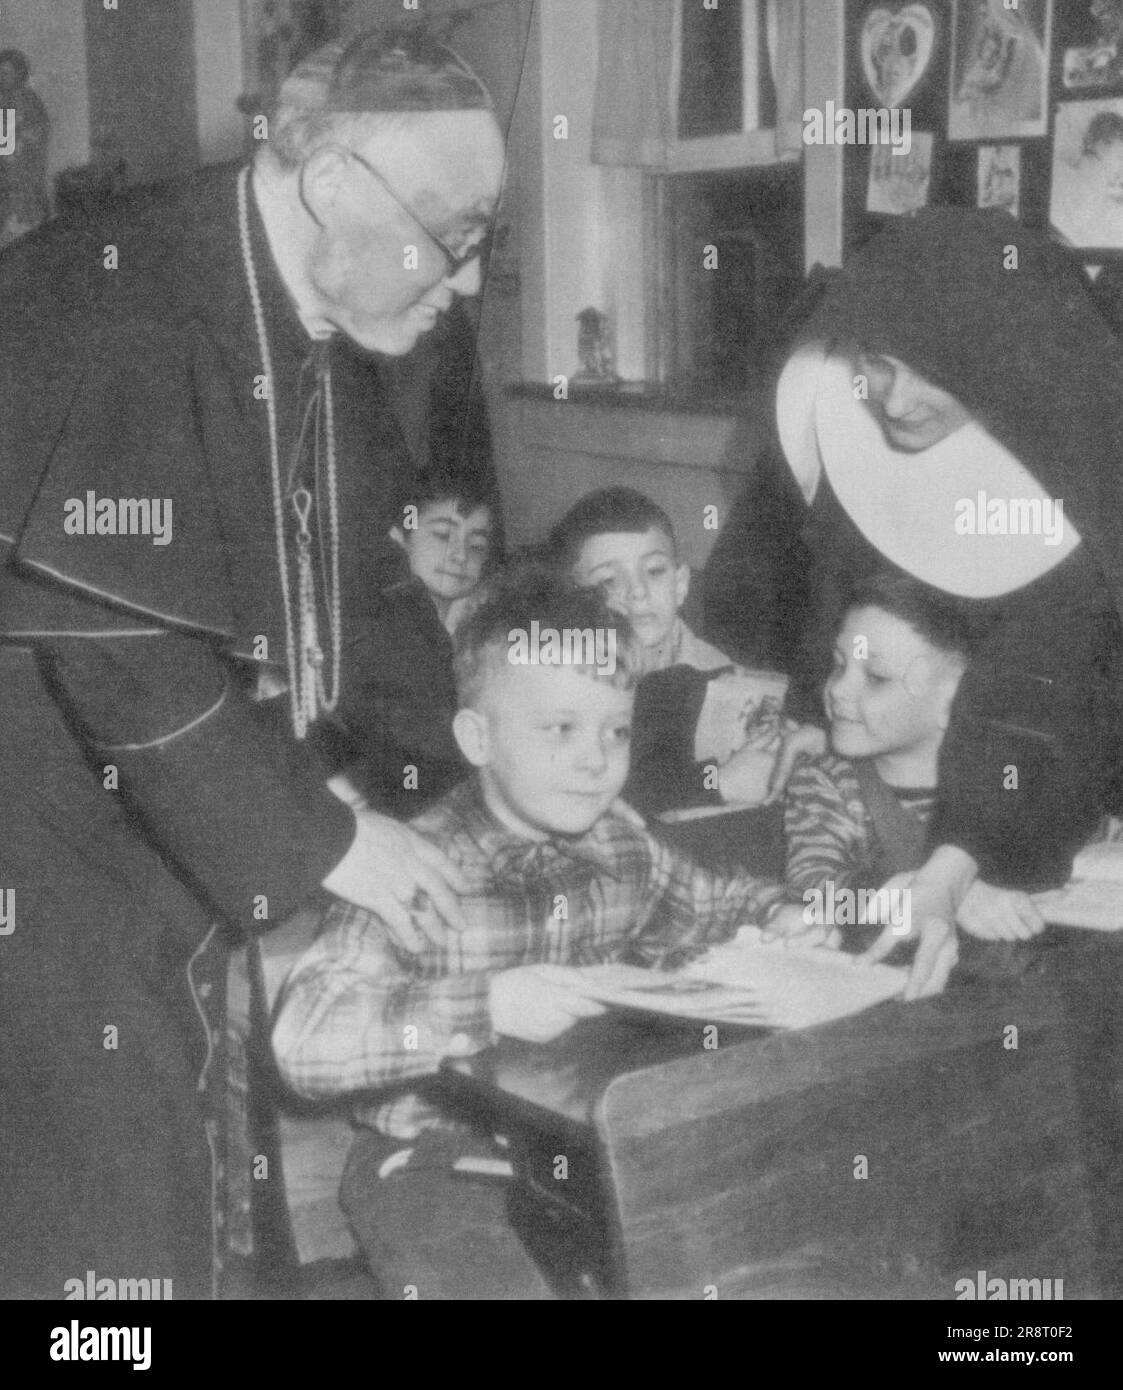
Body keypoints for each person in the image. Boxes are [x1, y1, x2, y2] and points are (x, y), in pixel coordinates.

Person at [0, 26, 505, 1298]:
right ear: (336, 182)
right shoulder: (131, 297)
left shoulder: (303, 305)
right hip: (40, 823)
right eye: (454, 233)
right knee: (99, 1212)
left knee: (190, 1186)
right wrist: (331, 842)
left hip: (136, 810)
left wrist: (456, 781)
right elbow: (126, 659)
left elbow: (357, 606)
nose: (469, 278)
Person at [272, 564, 785, 1298]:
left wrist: (787, 914)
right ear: (478, 738)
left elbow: (717, 905)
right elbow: (304, 1042)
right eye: (559, 729)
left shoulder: (621, 848)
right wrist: (486, 1006)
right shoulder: (413, 871)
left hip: (598, 1160)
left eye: (616, 730)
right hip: (430, 1162)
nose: (594, 758)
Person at [756, 208, 1123, 998]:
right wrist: (808, 715)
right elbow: (836, 594)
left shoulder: (1081, 485)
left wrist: (951, 866)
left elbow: (1034, 700)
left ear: (999, 368)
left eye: (933, 374)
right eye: (879, 364)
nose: (892, 399)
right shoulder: (857, 440)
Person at [768, 572, 1045, 967]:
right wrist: (945, 891)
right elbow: (814, 887)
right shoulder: (827, 780)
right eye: (838, 664)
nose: (838, 690)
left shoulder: (1006, 780)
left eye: (875, 677)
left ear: (956, 701)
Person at [547, 486, 789, 816]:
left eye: (655, 571)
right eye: (609, 581)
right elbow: (602, 786)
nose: (638, 592)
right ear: (574, 600)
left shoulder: (721, 676)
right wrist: (716, 780)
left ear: (680, 584)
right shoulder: (564, 680)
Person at [338, 468, 498, 815]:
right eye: (443, 535)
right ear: (397, 539)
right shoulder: (379, 626)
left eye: (477, 545)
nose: (460, 555)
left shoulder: (476, 629)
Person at [0, 48, 49, 250]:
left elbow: (7, 148)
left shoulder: (24, 101)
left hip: (21, 188)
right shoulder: (7, 102)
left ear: (19, 74)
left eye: (6, 74)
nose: (2, 79)